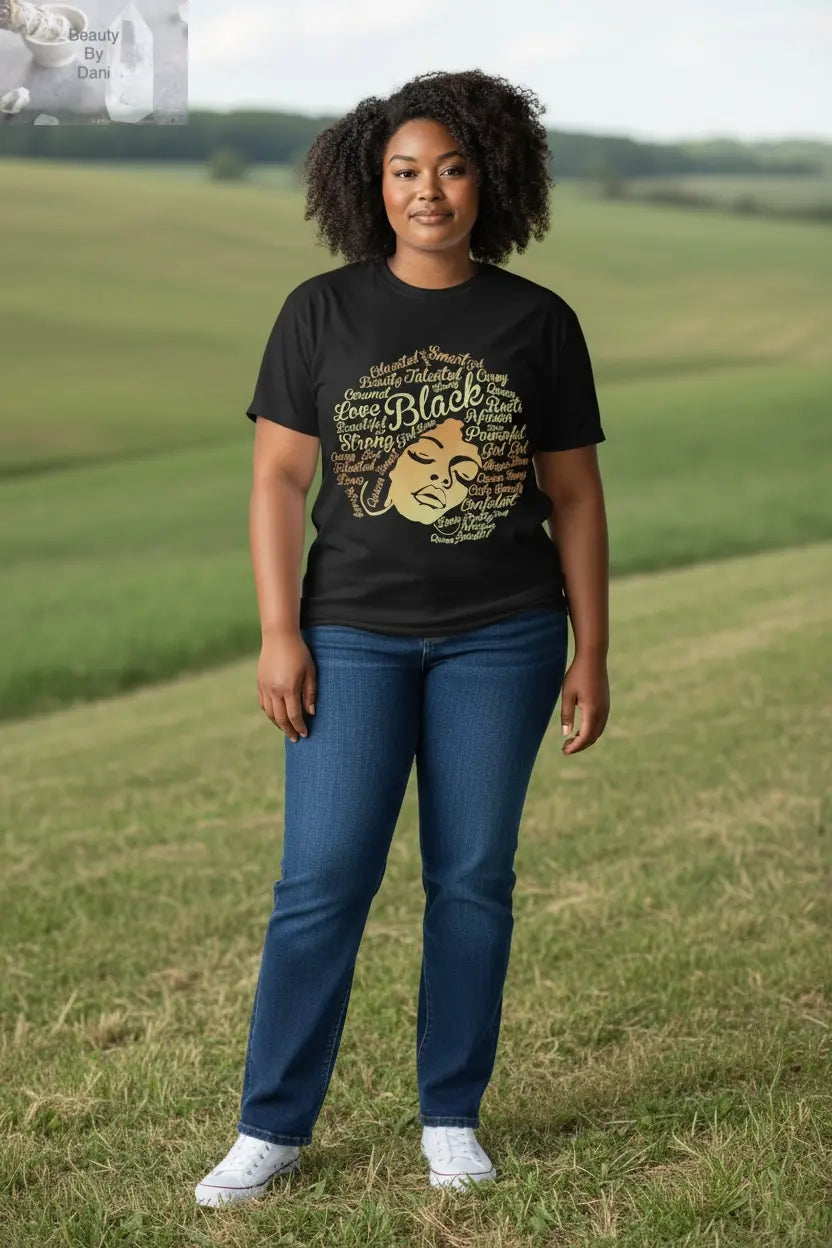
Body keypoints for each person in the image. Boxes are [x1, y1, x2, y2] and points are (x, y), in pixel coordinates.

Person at [196, 68, 610, 1208]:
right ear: (371, 187)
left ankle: (450, 1118)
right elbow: (279, 482)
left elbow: (576, 497)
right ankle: (270, 1128)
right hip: (350, 638)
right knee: (323, 879)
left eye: (453, 169)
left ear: (491, 180)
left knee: (472, 881)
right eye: (405, 171)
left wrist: (592, 649)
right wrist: (279, 631)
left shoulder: (539, 322)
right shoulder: (318, 312)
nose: (429, 191)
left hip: (505, 639)